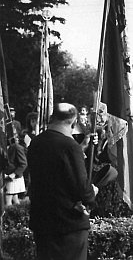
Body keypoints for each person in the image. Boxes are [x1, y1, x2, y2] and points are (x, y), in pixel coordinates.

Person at [27, 103, 98, 260]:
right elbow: (82, 187)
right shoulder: (70, 146)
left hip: (43, 221)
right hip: (68, 224)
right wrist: (92, 194)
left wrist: (83, 147)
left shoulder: (35, 143)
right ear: (74, 122)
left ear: (52, 118)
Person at [5, 133, 27, 206]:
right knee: (14, 198)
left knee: (8, 199)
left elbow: (23, 164)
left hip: (13, 176)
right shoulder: (6, 146)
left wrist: (14, 174)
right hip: (8, 175)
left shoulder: (16, 147)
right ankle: (20, 216)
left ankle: (10, 217)